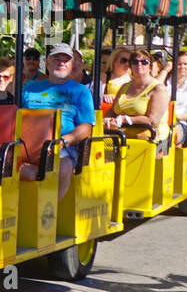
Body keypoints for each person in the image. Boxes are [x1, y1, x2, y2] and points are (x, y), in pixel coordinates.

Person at [22, 42, 97, 200]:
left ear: (71, 65)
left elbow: (86, 127)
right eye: (57, 59)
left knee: (64, 166)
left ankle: (49, 211)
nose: (61, 63)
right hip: (28, 145)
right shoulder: (30, 87)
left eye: (66, 60)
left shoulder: (81, 91)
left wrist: (64, 141)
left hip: (61, 146)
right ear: (47, 63)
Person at [104, 48, 170, 144]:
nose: (139, 65)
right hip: (122, 133)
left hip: (149, 135)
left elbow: (152, 120)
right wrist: (108, 119)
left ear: (150, 67)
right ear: (131, 66)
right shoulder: (124, 87)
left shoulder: (158, 89)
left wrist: (125, 119)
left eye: (144, 62)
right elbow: (113, 110)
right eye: (135, 62)